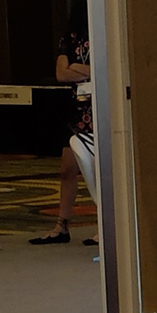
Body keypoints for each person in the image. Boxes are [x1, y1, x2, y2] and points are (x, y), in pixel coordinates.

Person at [31, 15, 96, 247]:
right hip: (76, 109)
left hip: (100, 106)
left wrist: (77, 67)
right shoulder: (70, 37)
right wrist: (89, 71)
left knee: (100, 168)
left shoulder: (106, 30)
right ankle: (62, 225)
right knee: (68, 168)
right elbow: (61, 74)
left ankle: (106, 223)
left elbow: (107, 68)